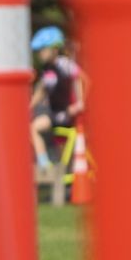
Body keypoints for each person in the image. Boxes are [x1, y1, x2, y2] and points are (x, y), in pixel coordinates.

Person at [29, 26, 87, 172]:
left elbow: (81, 79)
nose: (40, 54)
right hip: (54, 112)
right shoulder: (47, 70)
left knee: (35, 128)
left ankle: (44, 165)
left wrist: (80, 103)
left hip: (63, 113)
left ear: (54, 49)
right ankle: (47, 163)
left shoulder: (64, 64)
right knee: (33, 126)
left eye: (43, 50)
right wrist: (29, 106)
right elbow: (41, 91)